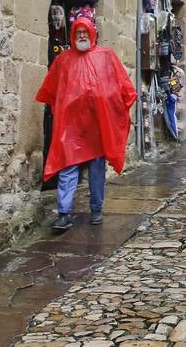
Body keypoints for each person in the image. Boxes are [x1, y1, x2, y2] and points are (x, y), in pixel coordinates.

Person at [35, 14, 137, 232]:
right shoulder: (63, 60)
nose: (81, 35)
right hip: (71, 127)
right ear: (73, 35)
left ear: (92, 34)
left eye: (85, 32)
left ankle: (96, 210)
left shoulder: (106, 57)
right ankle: (63, 213)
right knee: (67, 167)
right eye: (78, 32)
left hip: (98, 127)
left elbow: (122, 87)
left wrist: (117, 108)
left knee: (97, 170)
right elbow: (52, 90)